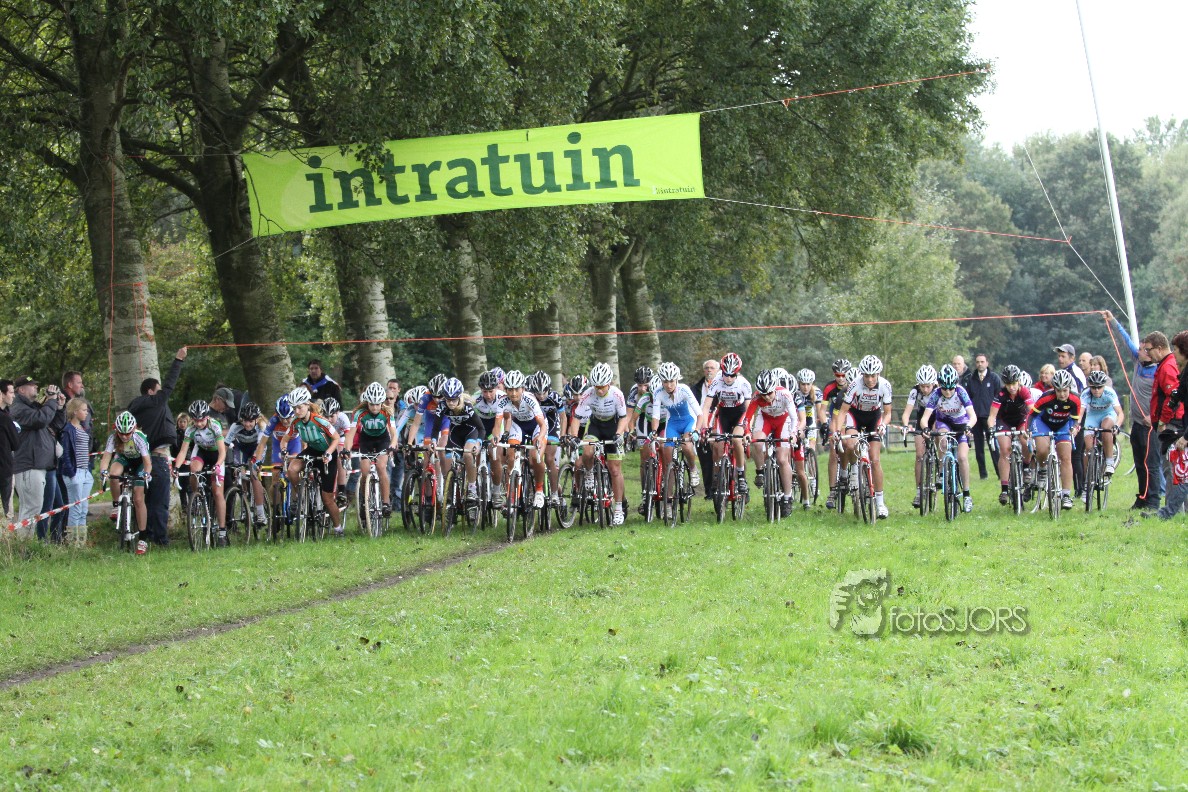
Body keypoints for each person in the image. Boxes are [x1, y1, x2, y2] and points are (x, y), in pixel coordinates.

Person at [127, 347, 187, 545]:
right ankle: (160, 539)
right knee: (159, 501)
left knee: (144, 500)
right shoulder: (156, 401)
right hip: (157, 458)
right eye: (158, 389)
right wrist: (178, 360)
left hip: (139, 460)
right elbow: (170, 384)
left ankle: (146, 535)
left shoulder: (134, 407)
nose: (162, 393)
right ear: (151, 391)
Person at [1105, 311, 1161, 509]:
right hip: (1137, 423)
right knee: (1139, 463)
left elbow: (1164, 397)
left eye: (1143, 349)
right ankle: (1142, 498)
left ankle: (1153, 501)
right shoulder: (1138, 362)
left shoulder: (1159, 371)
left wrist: (1153, 416)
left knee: (1151, 464)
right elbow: (1125, 341)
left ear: (1151, 352)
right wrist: (1113, 321)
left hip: (1150, 425)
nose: (1138, 350)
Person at [567, 363, 630, 525]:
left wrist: (619, 434)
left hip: (613, 426)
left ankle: (618, 508)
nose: (599, 390)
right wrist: (574, 436)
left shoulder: (617, 394)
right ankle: (589, 473)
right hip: (595, 425)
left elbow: (623, 418)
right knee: (587, 451)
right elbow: (577, 418)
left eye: (602, 387)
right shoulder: (588, 394)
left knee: (614, 469)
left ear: (609, 383)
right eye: (596, 387)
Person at [834, 355, 893, 519]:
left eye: (873, 375)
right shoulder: (855, 385)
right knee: (850, 445)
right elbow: (843, 411)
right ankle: (853, 472)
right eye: (866, 375)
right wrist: (838, 431)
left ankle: (880, 503)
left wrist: (883, 425)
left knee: (875, 459)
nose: (870, 379)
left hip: (874, 417)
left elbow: (887, 413)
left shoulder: (885, 386)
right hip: (855, 416)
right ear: (862, 374)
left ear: (878, 374)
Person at [283, 387, 344, 536]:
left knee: (327, 498)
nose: (297, 411)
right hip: (312, 450)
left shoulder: (319, 420)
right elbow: (285, 439)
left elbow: (336, 438)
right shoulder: (295, 422)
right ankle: (301, 496)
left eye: (299, 407)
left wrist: (328, 453)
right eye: (294, 408)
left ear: (307, 405)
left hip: (327, 453)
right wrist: (284, 449)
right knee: (291, 470)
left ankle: (338, 528)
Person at [10, 376, 66, 540]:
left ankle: (28, 544)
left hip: (40, 465)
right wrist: (51, 401)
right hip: (29, 465)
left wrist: (59, 408)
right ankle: (24, 546)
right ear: (21, 389)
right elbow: (41, 420)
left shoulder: (33, 407)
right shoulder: (18, 408)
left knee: (37, 507)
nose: (36, 388)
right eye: (31, 385)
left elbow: (54, 425)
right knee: (31, 508)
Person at [918, 364, 978, 513]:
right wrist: (925, 428)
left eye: (951, 388)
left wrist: (968, 427)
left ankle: (966, 495)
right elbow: (924, 418)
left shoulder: (961, 392)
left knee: (962, 457)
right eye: (945, 388)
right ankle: (941, 473)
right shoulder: (936, 394)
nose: (948, 392)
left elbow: (973, 416)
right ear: (940, 385)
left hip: (961, 423)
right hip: (944, 422)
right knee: (943, 440)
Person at [743, 369, 800, 516]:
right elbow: (747, 418)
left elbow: (794, 418)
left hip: (783, 420)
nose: (767, 397)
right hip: (766, 419)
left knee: (782, 459)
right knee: (757, 443)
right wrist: (747, 433)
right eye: (763, 394)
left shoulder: (785, 394)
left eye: (769, 393)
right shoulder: (757, 397)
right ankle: (760, 471)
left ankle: (787, 497)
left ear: (774, 388)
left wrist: (793, 434)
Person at [173, 400, 229, 546]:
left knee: (217, 493)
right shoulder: (190, 429)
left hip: (216, 454)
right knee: (194, 470)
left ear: (207, 417)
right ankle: (197, 496)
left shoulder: (215, 426)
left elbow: (222, 451)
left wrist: (218, 465)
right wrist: (176, 468)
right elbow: (183, 451)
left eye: (201, 420)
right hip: (201, 452)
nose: (198, 424)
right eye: (196, 420)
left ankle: (222, 531)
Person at [1146, 331, 1188, 519]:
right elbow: (1177, 394)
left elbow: (1173, 395)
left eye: (1149, 350)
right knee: (1177, 470)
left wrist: (1164, 421)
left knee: (1175, 469)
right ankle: (1172, 511)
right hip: (1177, 424)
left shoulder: (1168, 366)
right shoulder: (1174, 367)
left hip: (1173, 425)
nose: (1148, 354)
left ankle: (1171, 512)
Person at [98, 411, 153, 553]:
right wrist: (103, 471)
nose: (124, 436)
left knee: (138, 498)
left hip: (140, 462)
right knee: (113, 474)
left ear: (133, 429)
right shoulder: (113, 437)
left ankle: (142, 538)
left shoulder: (139, 438)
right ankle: (116, 505)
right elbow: (106, 457)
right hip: (124, 459)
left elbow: (147, 463)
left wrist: (146, 474)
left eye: (127, 433)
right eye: (121, 433)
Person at [344, 382, 398, 519]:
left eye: (377, 404)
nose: (374, 408)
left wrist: (392, 445)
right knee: (364, 470)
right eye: (371, 404)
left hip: (382, 440)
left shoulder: (387, 412)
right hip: (366, 440)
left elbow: (394, 433)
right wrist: (346, 450)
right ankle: (364, 501)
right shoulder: (359, 413)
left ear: (382, 402)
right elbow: (350, 434)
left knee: (381, 467)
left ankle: (386, 502)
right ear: (367, 402)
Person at [1030, 369, 1082, 510]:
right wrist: (1028, 431)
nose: (1062, 394)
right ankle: (1042, 469)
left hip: (1063, 424)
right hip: (1044, 423)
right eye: (1059, 391)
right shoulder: (1046, 397)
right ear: (1054, 389)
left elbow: (1075, 419)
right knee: (1042, 449)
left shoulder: (1075, 399)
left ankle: (1066, 495)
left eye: (1065, 390)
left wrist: (1074, 428)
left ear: (1069, 388)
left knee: (1066, 457)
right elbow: (1032, 415)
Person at [988, 365, 1035, 504]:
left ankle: (1026, 467)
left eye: (1014, 383)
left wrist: (1031, 428)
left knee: (1025, 441)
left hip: (1021, 419)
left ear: (1018, 381)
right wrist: (991, 429)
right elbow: (992, 416)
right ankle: (1004, 489)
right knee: (1005, 450)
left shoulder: (1024, 391)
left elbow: (1032, 411)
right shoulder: (1001, 394)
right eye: (1008, 384)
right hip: (1004, 421)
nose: (1012, 387)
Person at [1077, 371, 1124, 495]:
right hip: (1092, 416)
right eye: (1093, 387)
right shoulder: (1085, 394)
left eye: (1099, 387)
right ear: (1089, 386)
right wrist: (1077, 425)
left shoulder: (1110, 393)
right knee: (1088, 449)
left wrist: (1117, 426)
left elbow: (1120, 413)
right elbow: (1080, 414)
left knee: (1106, 428)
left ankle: (1109, 462)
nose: (1096, 390)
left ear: (1104, 386)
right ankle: (1087, 483)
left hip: (1108, 414)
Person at [59, 397, 93, 546]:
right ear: (75, 411)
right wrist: (72, 473)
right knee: (76, 508)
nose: (86, 413)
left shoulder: (83, 428)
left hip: (85, 472)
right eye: (84, 410)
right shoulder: (68, 430)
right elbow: (65, 453)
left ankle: (81, 542)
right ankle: (73, 543)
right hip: (75, 472)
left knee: (83, 509)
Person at [902, 365, 937, 509]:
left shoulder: (939, 390)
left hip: (937, 417)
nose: (925, 389)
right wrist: (905, 425)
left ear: (933, 383)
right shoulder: (915, 391)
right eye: (922, 386)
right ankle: (918, 491)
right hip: (922, 418)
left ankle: (940, 471)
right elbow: (906, 413)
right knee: (919, 455)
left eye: (928, 386)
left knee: (938, 437)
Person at [961, 353, 1001, 480]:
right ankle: (983, 474)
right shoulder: (971, 379)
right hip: (976, 417)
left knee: (993, 445)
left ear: (987, 363)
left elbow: (999, 396)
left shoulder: (994, 378)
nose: (980, 364)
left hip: (989, 417)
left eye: (982, 361)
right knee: (979, 448)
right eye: (978, 362)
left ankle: (1000, 473)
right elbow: (967, 398)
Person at [691, 359, 719, 500]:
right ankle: (709, 491)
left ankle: (722, 487)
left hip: (718, 423)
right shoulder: (696, 388)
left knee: (718, 456)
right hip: (701, 425)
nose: (709, 370)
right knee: (705, 459)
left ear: (717, 371)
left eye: (712, 368)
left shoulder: (722, 386)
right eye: (707, 368)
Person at [0, 380, 19, 523]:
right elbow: (16, 443)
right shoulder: (5, 418)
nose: (13, 396)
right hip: (4, 469)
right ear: (2, 394)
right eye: (11, 392)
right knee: (6, 512)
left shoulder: (7, 414)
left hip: (5, 466)